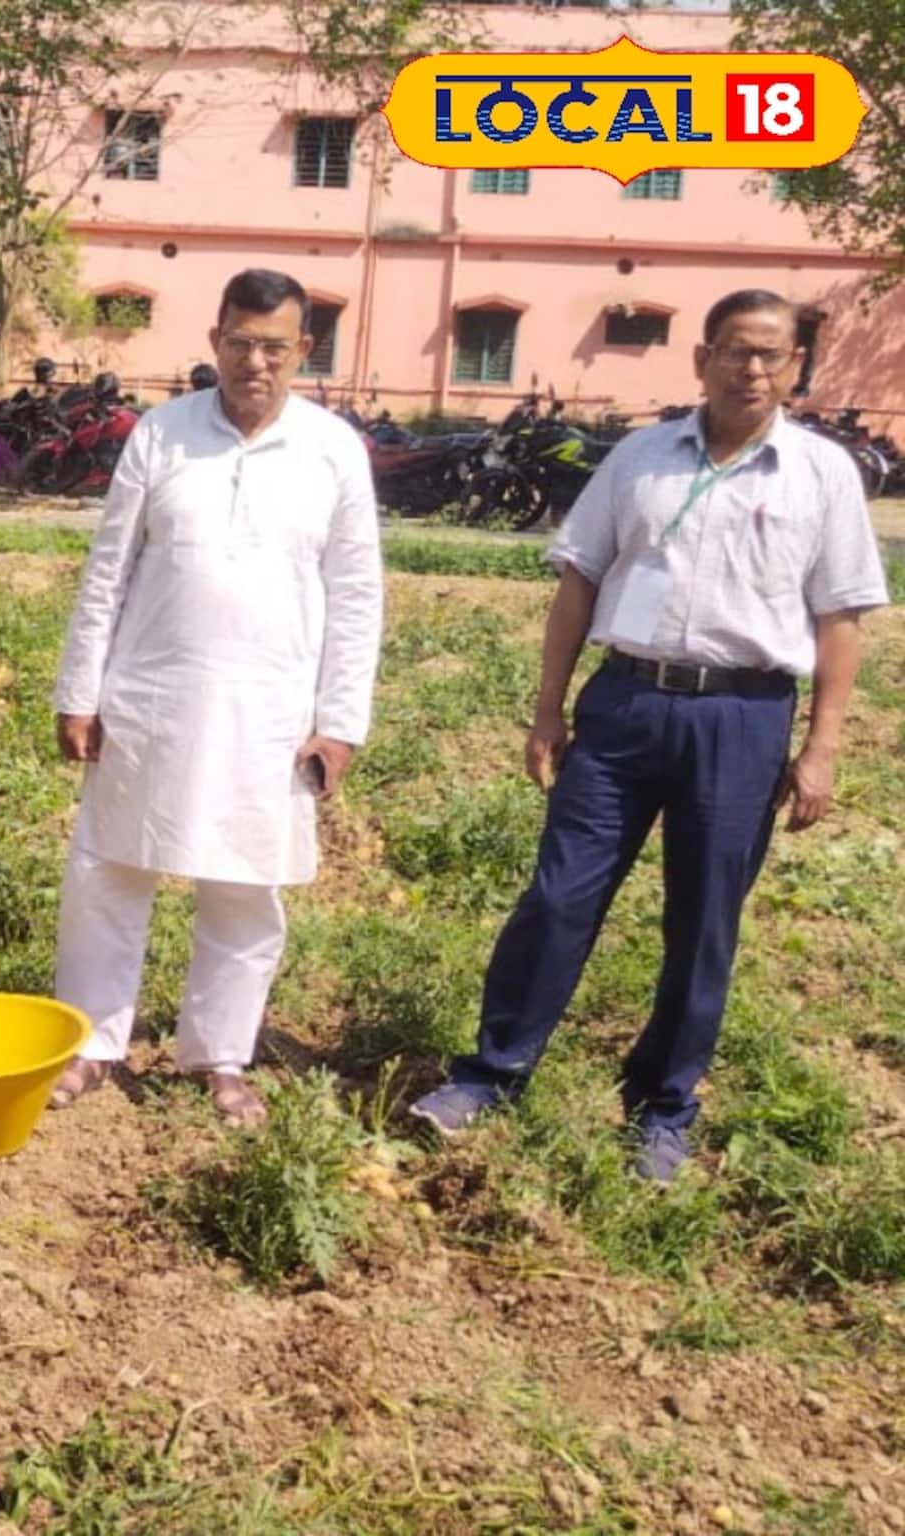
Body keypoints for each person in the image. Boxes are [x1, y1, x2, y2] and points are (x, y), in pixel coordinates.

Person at [410, 290, 891, 1182]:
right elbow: (578, 583)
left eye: (772, 355)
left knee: (703, 922)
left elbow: (841, 621)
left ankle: (663, 1109)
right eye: (736, 351)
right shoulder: (639, 458)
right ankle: (490, 1074)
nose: (753, 369)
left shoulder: (822, 474)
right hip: (624, 706)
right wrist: (548, 709)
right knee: (559, 896)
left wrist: (821, 747)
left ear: (795, 368)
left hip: (743, 718)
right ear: (702, 359)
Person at [47, 268, 384, 1126]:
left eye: (273, 347)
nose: (254, 362)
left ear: (304, 349)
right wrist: (80, 692)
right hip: (150, 695)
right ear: (215, 342)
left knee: (246, 883)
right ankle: (90, 1043)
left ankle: (220, 1055)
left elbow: (356, 595)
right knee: (110, 870)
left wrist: (340, 724)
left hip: (270, 709)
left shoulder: (333, 450)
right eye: (239, 343)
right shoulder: (161, 434)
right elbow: (108, 571)